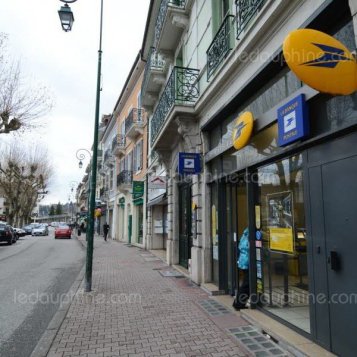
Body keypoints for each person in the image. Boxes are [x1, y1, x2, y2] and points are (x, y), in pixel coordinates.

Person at [233, 228, 250, 310]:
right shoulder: (249, 234)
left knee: (246, 283)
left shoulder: (245, 233)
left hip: (243, 261)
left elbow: (241, 247)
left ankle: (237, 302)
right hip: (247, 261)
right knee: (247, 284)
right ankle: (239, 304)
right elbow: (248, 248)